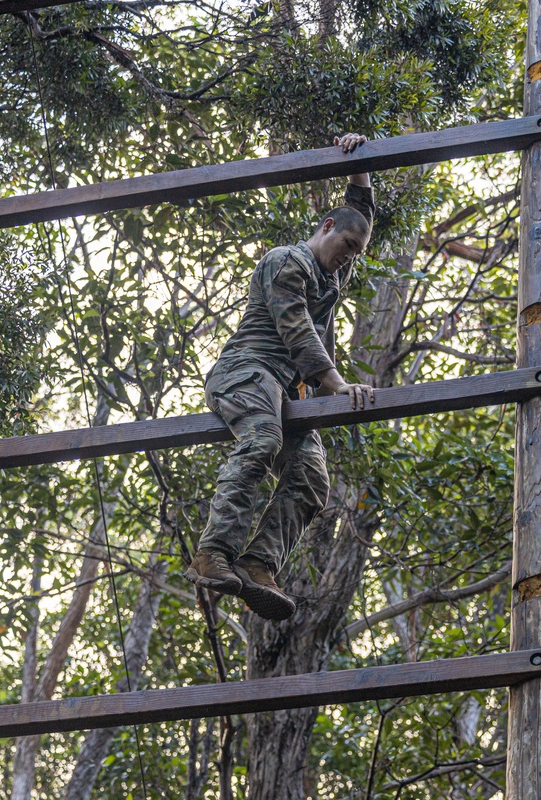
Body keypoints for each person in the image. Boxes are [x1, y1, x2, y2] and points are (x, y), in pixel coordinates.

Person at [184, 132, 377, 621]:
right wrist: (334, 384)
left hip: (287, 390)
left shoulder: (331, 274)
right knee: (262, 439)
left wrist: (358, 161)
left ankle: (257, 565)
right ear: (325, 227)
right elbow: (297, 332)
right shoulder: (287, 261)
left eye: (357, 252)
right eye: (347, 245)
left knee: (311, 477)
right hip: (247, 371)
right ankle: (213, 554)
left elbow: (361, 214)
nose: (349, 255)